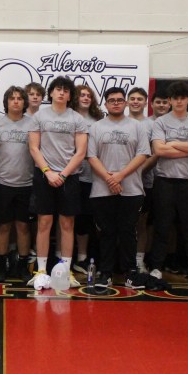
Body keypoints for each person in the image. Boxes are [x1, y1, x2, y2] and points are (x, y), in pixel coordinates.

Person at [87, 87, 168, 291]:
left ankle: (130, 272)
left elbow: (142, 154)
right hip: (102, 189)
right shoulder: (96, 127)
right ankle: (105, 273)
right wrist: (109, 178)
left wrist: (120, 176)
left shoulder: (138, 127)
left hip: (131, 189)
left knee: (128, 231)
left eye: (119, 100)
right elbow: (91, 156)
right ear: (106, 104)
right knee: (106, 232)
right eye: (111, 100)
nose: (116, 103)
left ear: (125, 103)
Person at [149, 81, 188, 288]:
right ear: (170, 100)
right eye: (175, 98)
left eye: (182, 98)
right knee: (162, 226)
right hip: (165, 181)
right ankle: (156, 267)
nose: (179, 101)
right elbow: (159, 150)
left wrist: (174, 144)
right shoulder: (161, 122)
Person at [28, 76, 88, 288]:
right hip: (44, 175)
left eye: (66, 90)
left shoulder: (77, 119)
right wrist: (48, 172)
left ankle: (66, 271)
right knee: (44, 222)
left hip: (69, 177)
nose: (61, 93)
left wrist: (62, 175)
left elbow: (80, 152)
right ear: (51, 93)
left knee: (67, 224)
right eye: (58, 89)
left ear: (70, 96)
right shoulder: (39, 116)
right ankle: (41, 271)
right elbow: (34, 147)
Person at [0, 86, 34, 282]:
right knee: (3, 226)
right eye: (12, 98)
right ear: (6, 102)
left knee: (23, 227)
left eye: (19, 98)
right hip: (1, 183)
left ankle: (23, 265)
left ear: (24, 102)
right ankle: (1, 264)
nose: (16, 101)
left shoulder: (33, 124)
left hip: (27, 184)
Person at [72, 84, 103, 275]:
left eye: (89, 96)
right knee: (81, 218)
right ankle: (81, 258)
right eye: (82, 95)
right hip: (76, 176)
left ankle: (98, 257)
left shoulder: (99, 120)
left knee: (98, 220)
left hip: (98, 177)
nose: (85, 98)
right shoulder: (69, 117)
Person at [127, 86, 154, 272]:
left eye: (139, 99)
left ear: (145, 103)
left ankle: (139, 260)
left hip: (145, 182)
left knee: (141, 223)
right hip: (120, 182)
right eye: (133, 98)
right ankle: (122, 259)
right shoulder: (118, 122)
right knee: (122, 224)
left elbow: (155, 153)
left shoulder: (152, 125)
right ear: (127, 102)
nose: (136, 101)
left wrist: (136, 171)